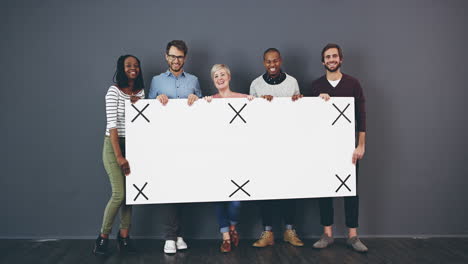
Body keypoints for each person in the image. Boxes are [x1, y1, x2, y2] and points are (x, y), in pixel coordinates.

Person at [311, 43, 368, 253]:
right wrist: (319, 103)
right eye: (328, 57)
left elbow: (361, 116)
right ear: (323, 61)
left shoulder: (353, 84)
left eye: (335, 56)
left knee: (351, 191)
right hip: (324, 147)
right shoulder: (316, 86)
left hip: (348, 147)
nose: (332, 59)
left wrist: (360, 145)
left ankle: (353, 236)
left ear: (341, 59)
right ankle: (327, 234)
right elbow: (310, 119)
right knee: (324, 189)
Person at [148, 40, 202, 254]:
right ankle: (169, 236)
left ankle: (179, 234)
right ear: (166, 57)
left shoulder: (194, 80)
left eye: (179, 56)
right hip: (165, 143)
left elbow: (202, 111)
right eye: (172, 56)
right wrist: (156, 100)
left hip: (189, 142)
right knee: (168, 188)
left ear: (185, 58)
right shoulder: (157, 81)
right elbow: (147, 114)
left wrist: (195, 98)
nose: (175, 60)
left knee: (185, 188)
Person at [249, 48, 304, 247]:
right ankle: (268, 233)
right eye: (268, 62)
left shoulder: (292, 82)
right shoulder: (256, 84)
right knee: (265, 190)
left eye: (275, 61)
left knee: (290, 189)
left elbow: (299, 113)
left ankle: (290, 231)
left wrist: (299, 101)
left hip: (289, 145)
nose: (272, 65)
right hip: (264, 146)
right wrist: (261, 104)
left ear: (280, 61)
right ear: (263, 63)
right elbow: (251, 117)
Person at [93, 55, 145, 255]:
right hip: (113, 145)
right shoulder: (113, 91)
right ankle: (102, 238)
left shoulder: (140, 91)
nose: (133, 68)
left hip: (133, 145)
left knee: (129, 196)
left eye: (136, 65)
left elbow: (142, 120)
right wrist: (119, 156)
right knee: (119, 194)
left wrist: (137, 103)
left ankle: (124, 237)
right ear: (121, 69)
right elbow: (112, 126)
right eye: (129, 65)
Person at [204, 64, 254, 253]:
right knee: (218, 198)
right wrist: (204, 104)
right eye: (216, 76)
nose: (219, 78)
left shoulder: (243, 98)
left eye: (222, 74)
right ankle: (226, 237)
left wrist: (252, 103)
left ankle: (232, 227)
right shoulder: (210, 101)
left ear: (229, 76)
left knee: (236, 200)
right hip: (216, 157)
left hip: (239, 158)